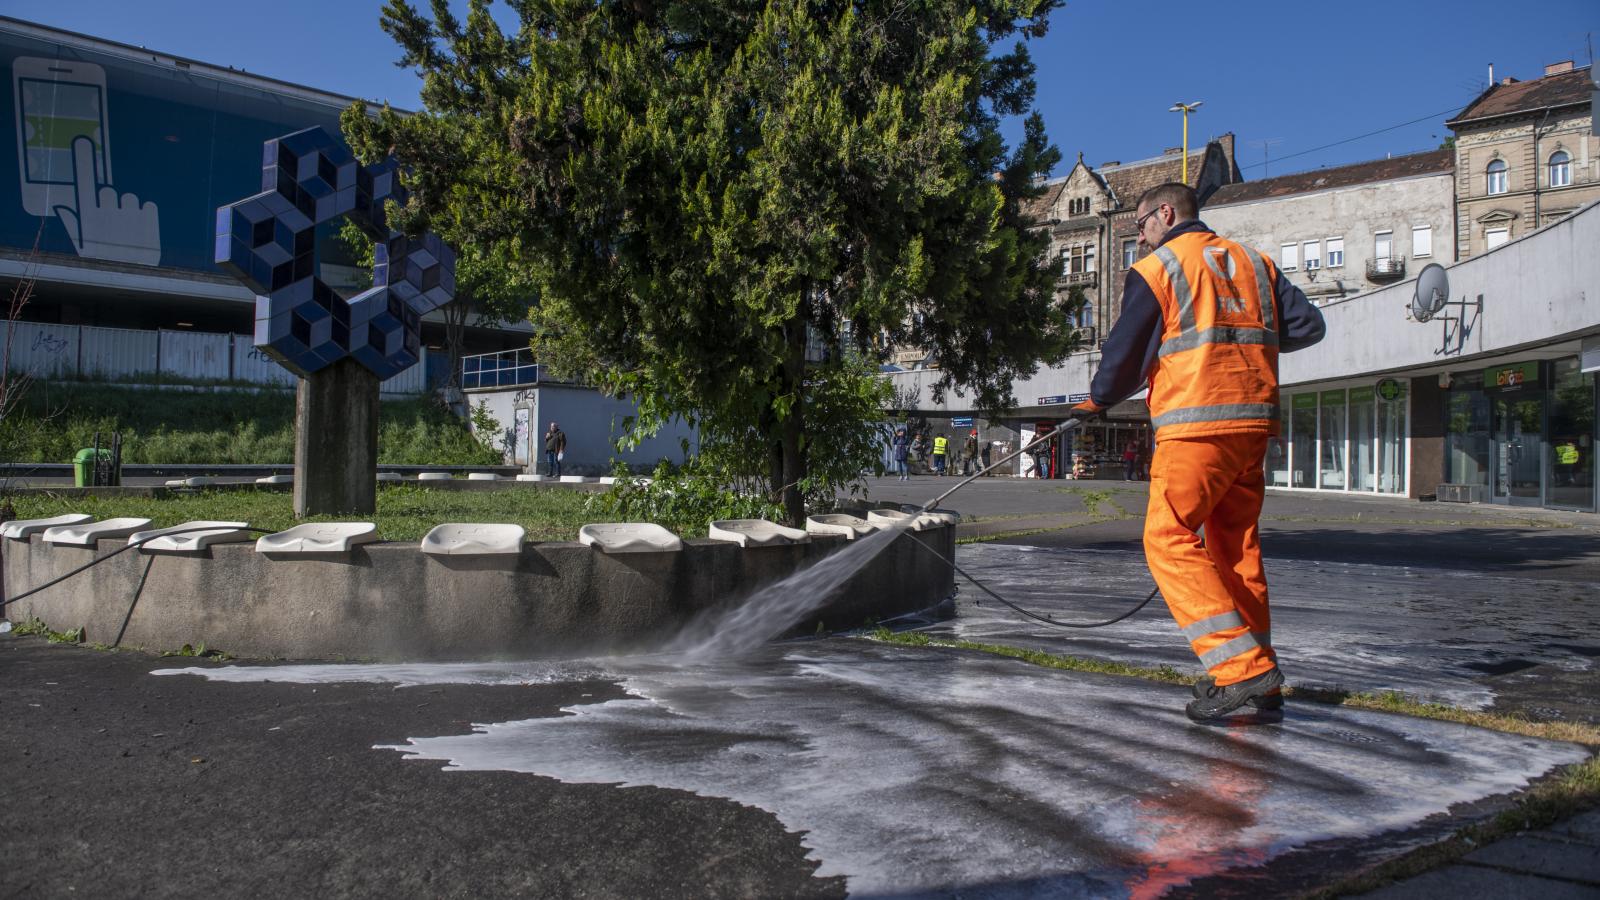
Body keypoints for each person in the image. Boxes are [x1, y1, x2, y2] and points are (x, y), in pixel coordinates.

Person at [1071, 183, 1325, 722]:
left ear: (1165, 213)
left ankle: (1243, 671)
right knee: (1235, 551)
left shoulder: (1160, 269)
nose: (1139, 237)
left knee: (1167, 539)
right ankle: (1261, 674)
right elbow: (1307, 325)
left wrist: (1096, 400)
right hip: (1252, 427)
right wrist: (1239, 343)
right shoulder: (1254, 263)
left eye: (1141, 225)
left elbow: (1124, 355)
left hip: (1196, 425)